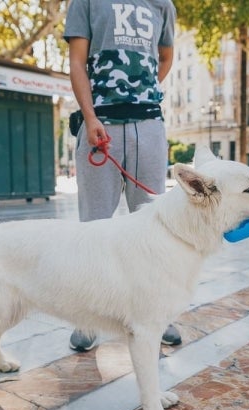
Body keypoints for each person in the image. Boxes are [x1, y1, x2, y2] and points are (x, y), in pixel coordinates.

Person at [63, 0, 181, 351]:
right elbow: (76, 62)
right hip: (99, 124)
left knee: (155, 229)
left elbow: (165, 57)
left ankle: (157, 314)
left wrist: (138, 93)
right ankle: (87, 319)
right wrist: (90, 116)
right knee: (93, 229)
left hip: (148, 125)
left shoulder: (163, 4)